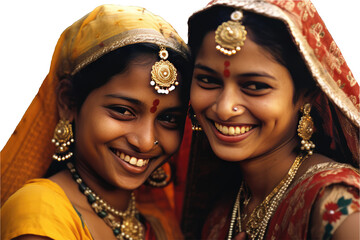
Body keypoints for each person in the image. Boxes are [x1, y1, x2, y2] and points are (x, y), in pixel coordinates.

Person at [1, 4, 191, 240]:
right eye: (123, 111)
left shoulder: (151, 213)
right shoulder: (39, 213)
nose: (145, 142)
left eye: (168, 118)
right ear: (68, 102)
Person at [181, 0, 360, 239]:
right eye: (207, 80)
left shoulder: (336, 205)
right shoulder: (222, 209)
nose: (224, 109)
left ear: (307, 94)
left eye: (255, 86)